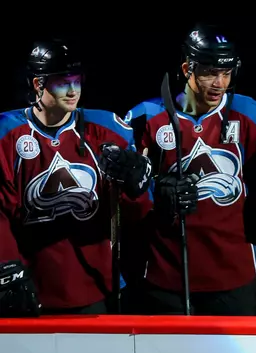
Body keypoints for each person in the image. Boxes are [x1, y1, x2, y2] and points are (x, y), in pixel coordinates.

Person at [123, 25, 256, 315]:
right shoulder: (146, 117)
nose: (219, 82)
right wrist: (156, 189)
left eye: (226, 73)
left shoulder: (248, 113)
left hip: (234, 274)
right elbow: (127, 199)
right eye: (209, 72)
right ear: (187, 68)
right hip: (166, 274)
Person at [0, 40, 149, 315]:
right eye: (61, 82)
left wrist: (137, 188)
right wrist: (6, 264)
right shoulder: (7, 134)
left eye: (76, 81)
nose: (72, 91)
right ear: (38, 85)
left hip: (95, 286)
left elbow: (133, 214)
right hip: (29, 289)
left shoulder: (107, 130)